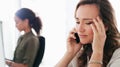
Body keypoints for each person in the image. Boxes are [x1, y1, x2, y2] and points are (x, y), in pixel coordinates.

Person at [55, 0, 120, 67]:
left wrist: (97, 52)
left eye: (88, 23)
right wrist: (70, 53)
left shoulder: (118, 55)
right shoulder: (81, 53)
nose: (80, 29)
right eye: (78, 22)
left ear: (105, 25)